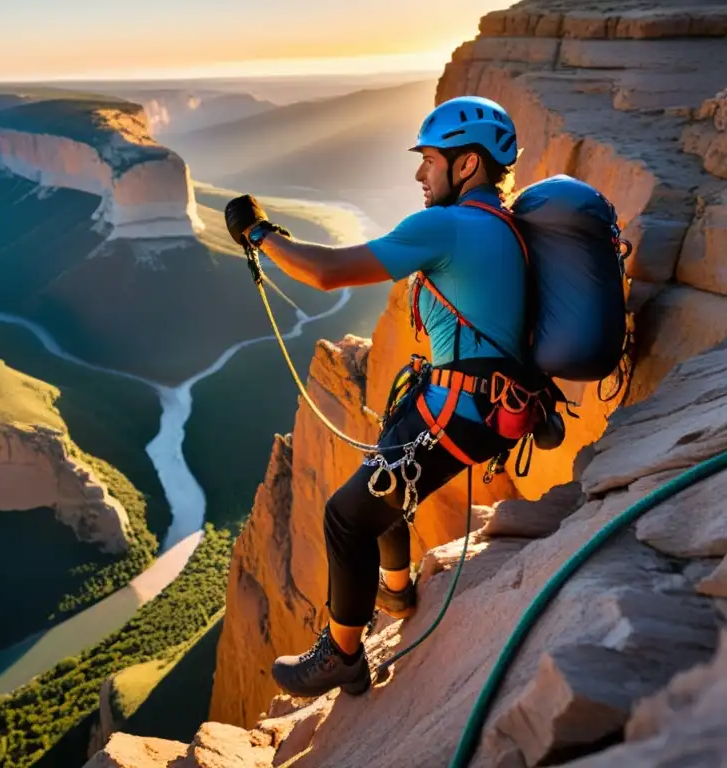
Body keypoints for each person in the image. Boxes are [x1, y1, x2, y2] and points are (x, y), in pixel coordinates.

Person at [223, 95, 538, 698]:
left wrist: (260, 234)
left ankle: (342, 655)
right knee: (385, 457)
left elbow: (327, 272)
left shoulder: (446, 226)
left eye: (430, 160)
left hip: (460, 411)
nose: (420, 173)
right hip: (480, 404)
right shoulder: (498, 223)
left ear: (468, 164)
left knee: (345, 516)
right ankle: (396, 591)